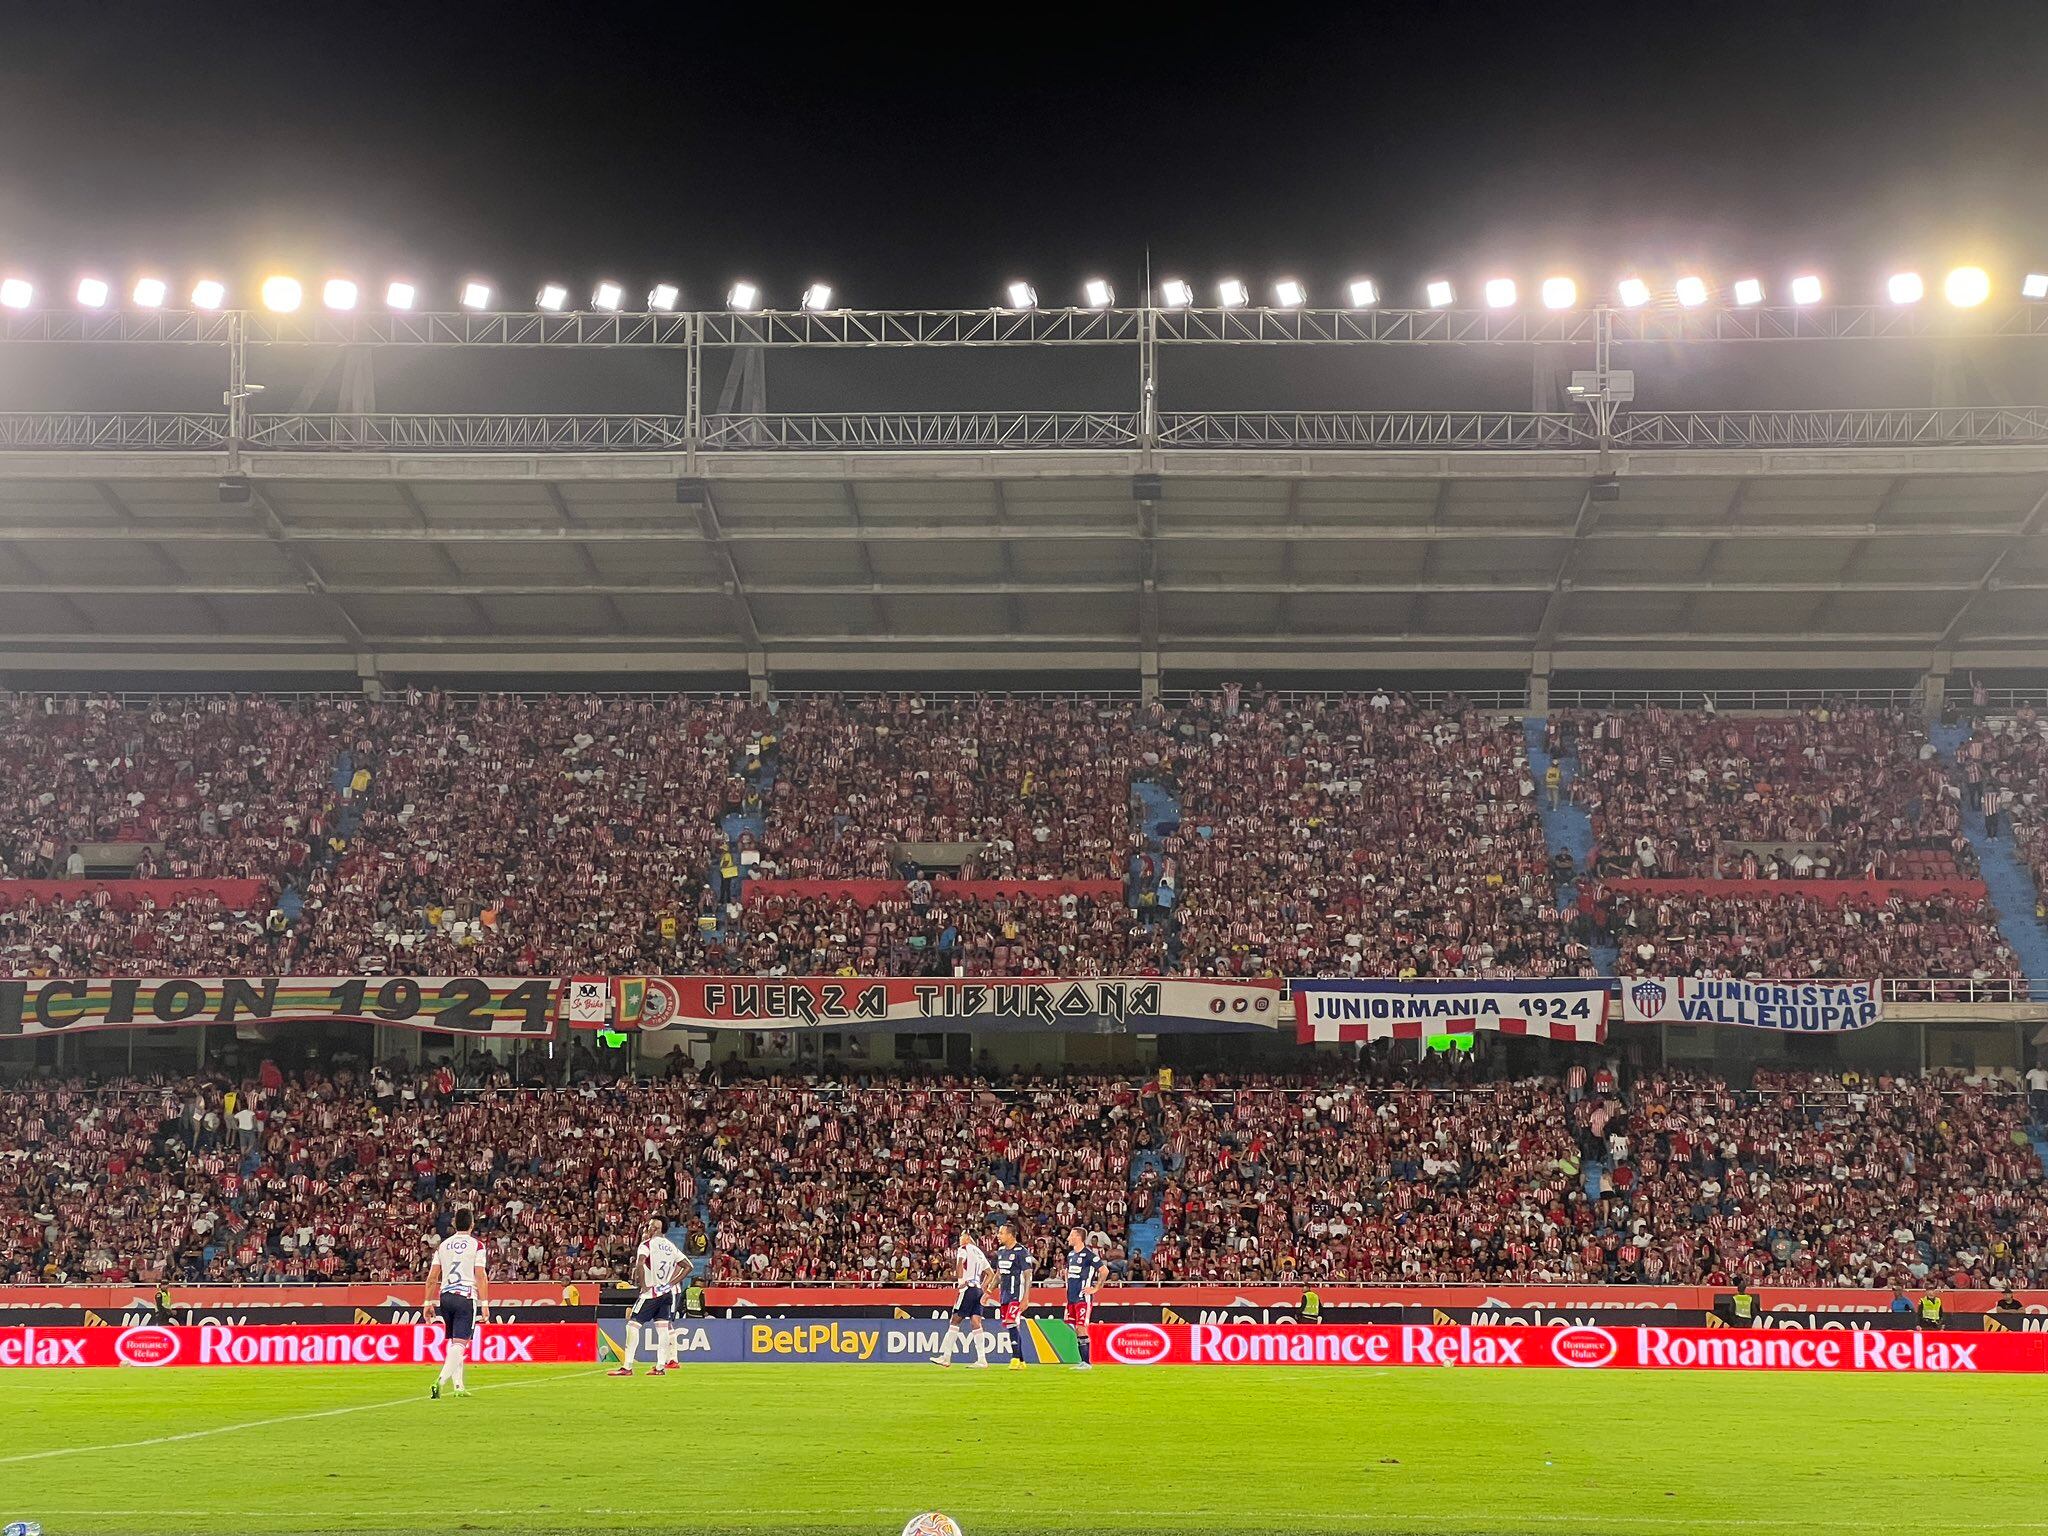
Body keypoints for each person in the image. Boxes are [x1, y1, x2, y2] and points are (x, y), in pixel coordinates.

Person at [611, 1216, 686, 1378]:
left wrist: (643, 1284)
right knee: (663, 1329)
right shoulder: (672, 1247)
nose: (648, 1228)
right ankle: (660, 1367)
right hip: (666, 1293)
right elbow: (688, 1266)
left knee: (632, 1325)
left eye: (651, 1226)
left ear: (656, 1229)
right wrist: (671, 1283)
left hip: (651, 1292)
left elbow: (639, 1263)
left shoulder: (646, 1245)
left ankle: (627, 1366)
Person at [425, 1207, 488, 1401]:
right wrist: (484, 1303)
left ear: (454, 1224)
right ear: (472, 1224)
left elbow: (432, 1277)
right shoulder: (477, 1246)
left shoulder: (443, 1246)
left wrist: (427, 1302)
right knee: (461, 1343)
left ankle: (459, 1386)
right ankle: (440, 1381)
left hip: (445, 1296)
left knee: (454, 1342)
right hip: (465, 1296)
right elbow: (480, 1275)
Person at [933, 1227, 993, 1369]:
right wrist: (982, 1288)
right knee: (976, 1322)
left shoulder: (964, 1249)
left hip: (967, 1288)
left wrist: (961, 1282)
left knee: (955, 1320)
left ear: (967, 1236)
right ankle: (982, 1359)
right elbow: (990, 1274)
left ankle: (946, 1357)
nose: (960, 1238)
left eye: (961, 1236)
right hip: (977, 1289)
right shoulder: (979, 1253)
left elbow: (959, 1263)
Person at [990, 1219, 1035, 1372]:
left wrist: (1026, 1297)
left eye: (1001, 1233)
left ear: (1010, 1235)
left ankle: (1015, 1358)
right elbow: (998, 1274)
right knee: (1011, 1326)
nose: (998, 1235)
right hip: (1004, 1295)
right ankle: (1021, 1360)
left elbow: (1028, 1274)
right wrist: (989, 1291)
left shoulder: (1021, 1252)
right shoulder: (1001, 1252)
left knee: (1011, 1321)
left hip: (1017, 1293)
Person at [1062, 1225, 1106, 1371]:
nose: (1068, 1238)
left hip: (1082, 1298)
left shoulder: (1089, 1255)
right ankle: (1083, 1361)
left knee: (1081, 1327)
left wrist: (1096, 1288)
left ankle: (1087, 1362)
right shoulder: (1070, 1255)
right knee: (1076, 1328)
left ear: (1078, 1237)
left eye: (1071, 1235)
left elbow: (1104, 1270)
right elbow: (1068, 1275)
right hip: (1071, 1298)